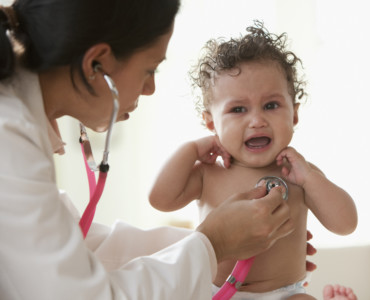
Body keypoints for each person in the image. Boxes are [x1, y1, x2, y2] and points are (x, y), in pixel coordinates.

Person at [0, 1, 305, 299]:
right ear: (97, 64)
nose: (150, 89)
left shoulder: (18, 124)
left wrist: (245, 240)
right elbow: (80, 293)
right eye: (149, 69)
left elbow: (76, 250)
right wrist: (215, 244)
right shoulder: (8, 138)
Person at [149, 21, 358, 299]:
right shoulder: (208, 174)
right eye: (238, 109)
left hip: (285, 293)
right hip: (218, 291)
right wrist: (190, 150)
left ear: (294, 115)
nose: (257, 121)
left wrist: (310, 179)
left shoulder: (300, 174)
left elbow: (345, 225)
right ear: (211, 122)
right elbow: (160, 199)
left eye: (271, 105)